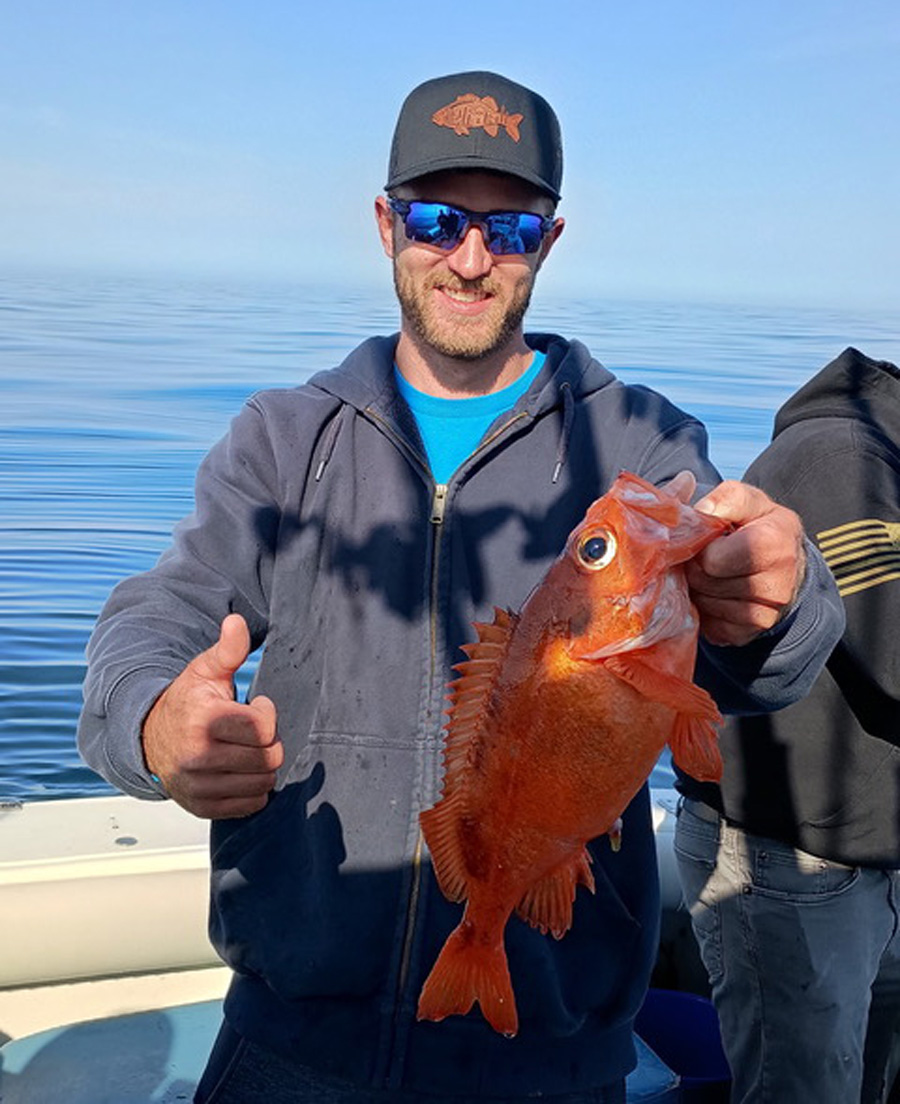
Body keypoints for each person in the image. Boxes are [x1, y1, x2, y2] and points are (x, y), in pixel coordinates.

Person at [78, 71, 844, 1104]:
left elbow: (763, 656)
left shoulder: (640, 442)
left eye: (511, 228)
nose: (472, 260)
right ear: (385, 223)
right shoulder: (284, 439)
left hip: (553, 1055)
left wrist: (781, 602)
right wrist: (153, 719)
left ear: (551, 240)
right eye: (438, 220)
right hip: (290, 1047)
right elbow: (160, 611)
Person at [675, 346, 900, 1104]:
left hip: (870, 848)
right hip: (792, 862)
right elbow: (893, 651)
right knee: (802, 1088)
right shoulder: (840, 454)